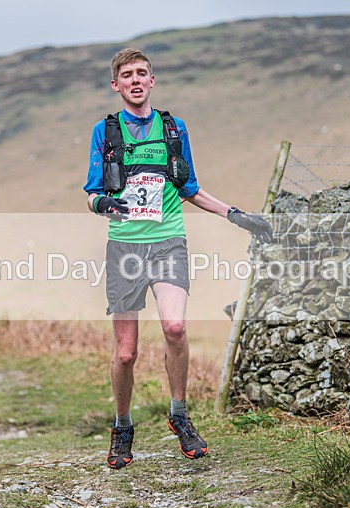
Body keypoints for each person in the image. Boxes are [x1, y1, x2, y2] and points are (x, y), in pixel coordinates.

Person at [84, 48, 273, 469]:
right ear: (116, 85)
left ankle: (180, 415)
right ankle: (122, 426)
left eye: (142, 73)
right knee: (126, 353)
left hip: (168, 242)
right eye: (127, 75)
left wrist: (236, 214)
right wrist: (103, 205)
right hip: (124, 247)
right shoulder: (105, 131)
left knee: (174, 327)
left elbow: (189, 188)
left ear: (152, 81)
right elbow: (93, 193)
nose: (135, 80)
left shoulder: (173, 128)